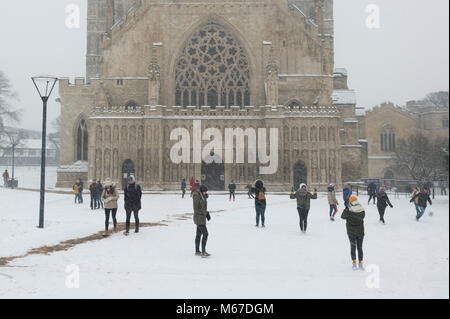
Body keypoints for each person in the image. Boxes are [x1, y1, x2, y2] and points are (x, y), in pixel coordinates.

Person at [341, 195, 366, 271]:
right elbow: (363, 216)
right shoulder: (362, 209)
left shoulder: (348, 209)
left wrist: (346, 208)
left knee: (353, 247)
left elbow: (342, 216)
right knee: (360, 247)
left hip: (351, 232)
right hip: (360, 232)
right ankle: (361, 264)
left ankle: (354, 264)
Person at [192, 185, 211, 257]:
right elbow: (196, 208)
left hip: (201, 218)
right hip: (199, 218)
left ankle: (197, 251)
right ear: (201, 191)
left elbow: (202, 207)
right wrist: (205, 213)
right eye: (205, 192)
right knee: (205, 234)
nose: (206, 193)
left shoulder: (202, 196)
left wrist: (206, 213)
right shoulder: (196, 196)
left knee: (199, 234)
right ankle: (203, 252)